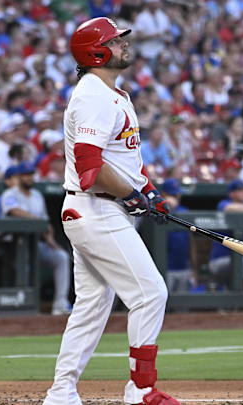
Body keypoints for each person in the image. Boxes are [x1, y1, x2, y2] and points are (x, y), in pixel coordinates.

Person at [43, 18, 179, 405]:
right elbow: (90, 169)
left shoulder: (111, 94)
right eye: (115, 41)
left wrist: (148, 190)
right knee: (150, 293)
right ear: (96, 52)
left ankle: (61, 392)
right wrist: (133, 194)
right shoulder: (93, 97)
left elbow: (125, 160)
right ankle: (141, 389)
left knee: (93, 304)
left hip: (100, 210)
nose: (123, 45)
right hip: (96, 208)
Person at [1, 162, 71, 316]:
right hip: (15, 245)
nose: (30, 178)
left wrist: (50, 240)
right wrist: (35, 219)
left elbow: (45, 222)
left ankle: (60, 304)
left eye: (31, 174)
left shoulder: (37, 195)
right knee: (24, 264)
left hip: (36, 244)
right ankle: (22, 305)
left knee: (61, 257)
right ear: (19, 177)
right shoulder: (10, 194)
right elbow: (13, 210)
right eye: (26, 175)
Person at [161, 179, 197, 293]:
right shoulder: (156, 210)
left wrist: (194, 269)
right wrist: (165, 205)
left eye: (176, 194)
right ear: (163, 194)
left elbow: (191, 243)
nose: (175, 197)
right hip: (163, 269)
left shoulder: (184, 212)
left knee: (183, 308)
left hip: (183, 268)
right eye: (172, 194)